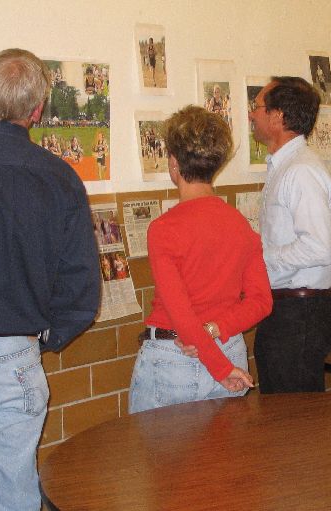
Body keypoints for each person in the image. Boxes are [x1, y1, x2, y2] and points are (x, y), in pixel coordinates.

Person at [0, 48, 100, 510]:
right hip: (20, 359)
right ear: (37, 111)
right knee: (17, 496)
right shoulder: (61, 179)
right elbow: (81, 289)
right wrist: (44, 338)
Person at [129, 105, 272, 413]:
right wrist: (216, 331)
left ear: (173, 163)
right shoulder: (240, 224)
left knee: (156, 447)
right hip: (228, 349)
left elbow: (182, 316)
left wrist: (220, 368)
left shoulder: (164, 229)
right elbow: (261, 302)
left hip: (175, 359)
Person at [248, 76, 331, 393]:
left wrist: (260, 260)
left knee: (293, 416)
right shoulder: (285, 166)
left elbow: (318, 248)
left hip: (299, 314)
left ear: (278, 116)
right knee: (281, 412)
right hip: (287, 311)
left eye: (257, 106)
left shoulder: (300, 171)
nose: (251, 114)